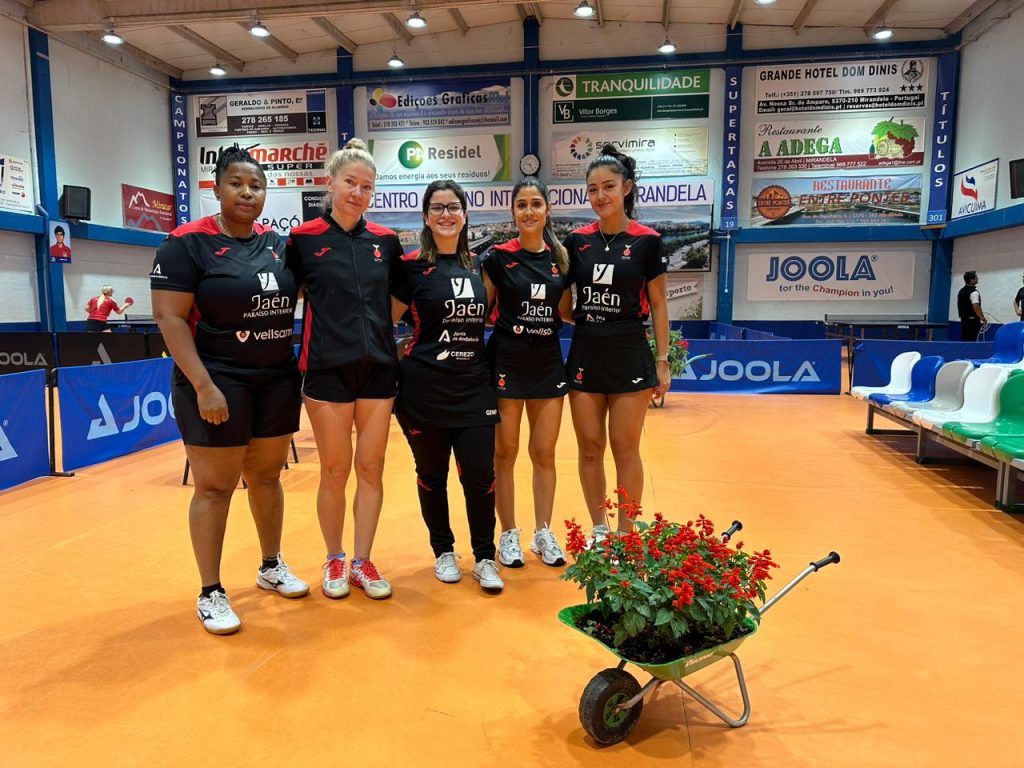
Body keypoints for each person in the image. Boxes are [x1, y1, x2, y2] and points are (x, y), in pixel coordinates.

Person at [151, 145, 308, 635]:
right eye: (236, 183)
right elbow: (169, 317)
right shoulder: (186, 244)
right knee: (216, 487)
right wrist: (204, 385)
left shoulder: (279, 246)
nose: (247, 192)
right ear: (217, 188)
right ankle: (211, 591)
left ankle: (270, 565)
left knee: (267, 477)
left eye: (256, 185)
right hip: (217, 380)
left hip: (276, 379)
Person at [286, 138, 402, 600]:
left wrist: (378, 333)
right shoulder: (303, 239)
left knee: (371, 468)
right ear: (330, 183)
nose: (357, 192)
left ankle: (362, 560)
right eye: (350, 182)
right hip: (326, 371)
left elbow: (397, 299)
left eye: (366, 186)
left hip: (378, 372)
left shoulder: (386, 242)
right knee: (334, 470)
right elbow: (286, 296)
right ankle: (334, 556)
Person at [391, 180, 504, 592]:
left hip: (475, 388)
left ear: (465, 214)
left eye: (453, 206)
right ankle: (443, 551)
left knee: (480, 475)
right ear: (426, 217)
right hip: (423, 391)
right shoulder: (410, 267)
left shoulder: (480, 266)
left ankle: (485, 557)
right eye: (437, 208)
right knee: (432, 474)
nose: (446, 214)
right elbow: (385, 321)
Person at [563, 144, 671, 537]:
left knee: (625, 448)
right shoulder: (576, 242)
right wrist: (587, 318)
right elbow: (564, 303)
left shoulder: (648, 241)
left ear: (626, 187)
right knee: (590, 448)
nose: (600, 196)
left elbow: (658, 304)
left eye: (608, 186)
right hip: (586, 353)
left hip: (629, 354)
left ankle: (626, 534)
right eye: (592, 189)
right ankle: (599, 530)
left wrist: (663, 360)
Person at [480, 177, 569, 568]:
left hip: (547, 363)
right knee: (505, 452)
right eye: (522, 205)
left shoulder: (562, 259)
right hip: (507, 362)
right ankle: (508, 533)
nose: (529, 211)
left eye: (536, 203)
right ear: (513, 212)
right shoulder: (498, 258)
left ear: (547, 210)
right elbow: (481, 313)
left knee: (544, 452)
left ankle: (543, 532)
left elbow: (567, 311)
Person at [958, 270, 988, 341]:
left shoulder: (961, 291)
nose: (978, 278)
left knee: (965, 340)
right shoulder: (974, 292)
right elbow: (976, 307)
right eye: (976, 277)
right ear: (972, 280)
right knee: (972, 340)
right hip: (972, 322)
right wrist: (982, 318)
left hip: (964, 321)